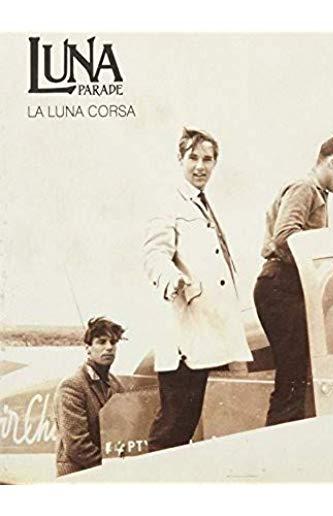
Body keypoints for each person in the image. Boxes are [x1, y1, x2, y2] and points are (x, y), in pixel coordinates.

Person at [143, 127, 252, 452]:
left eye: (208, 159)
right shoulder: (168, 202)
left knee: (188, 422)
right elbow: (154, 253)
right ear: (180, 159)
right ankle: (151, 478)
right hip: (186, 334)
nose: (200, 166)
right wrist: (170, 278)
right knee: (173, 425)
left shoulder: (203, 205)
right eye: (193, 158)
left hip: (210, 333)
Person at [254, 134, 333, 426]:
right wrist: (328, 256)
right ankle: (280, 439)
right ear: (332, 162)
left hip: (289, 286)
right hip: (281, 285)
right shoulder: (305, 188)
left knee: (296, 374)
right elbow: (285, 236)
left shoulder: (318, 195)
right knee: (292, 374)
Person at [53, 316, 126, 477]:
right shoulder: (72, 386)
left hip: (105, 472)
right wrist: (110, 468)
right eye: (101, 342)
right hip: (78, 475)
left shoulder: (117, 384)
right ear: (88, 348)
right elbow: (77, 445)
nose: (109, 347)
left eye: (113, 342)